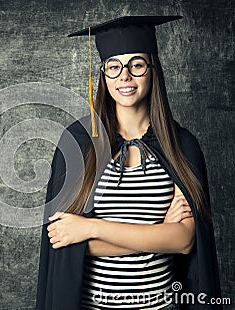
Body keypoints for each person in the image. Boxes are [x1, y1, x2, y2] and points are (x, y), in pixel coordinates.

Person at [36, 16, 222, 310]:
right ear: (103, 75)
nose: (124, 76)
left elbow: (185, 240)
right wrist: (159, 234)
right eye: (113, 66)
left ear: (153, 70)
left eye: (136, 64)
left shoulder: (180, 146)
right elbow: (62, 242)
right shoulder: (78, 144)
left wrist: (90, 229)